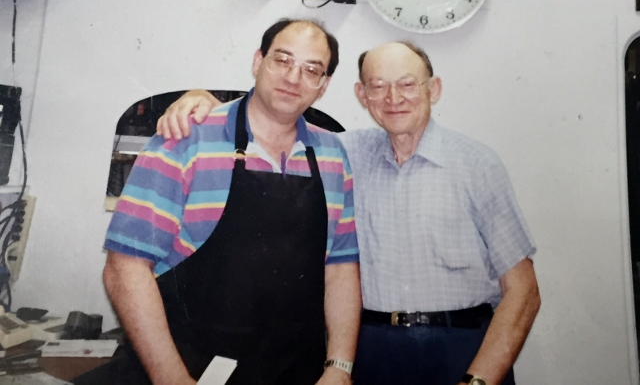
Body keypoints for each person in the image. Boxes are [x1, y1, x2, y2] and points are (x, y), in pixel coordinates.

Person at [157, 41, 541, 385]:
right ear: (362, 94)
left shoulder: (477, 164)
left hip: (462, 346)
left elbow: (523, 292)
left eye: (407, 84)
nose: (394, 97)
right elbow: (275, 121)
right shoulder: (341, 155)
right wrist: (201, 101)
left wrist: (478, 381)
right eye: (377, 86)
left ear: (433, 89)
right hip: (370, 351)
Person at [87, 19, 361, 385]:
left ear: (323, 86)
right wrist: (172, 379)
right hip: (186, 367)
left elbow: (341, 268)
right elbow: (125, 269)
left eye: (311, 69)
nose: (294, 78)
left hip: (294, 372)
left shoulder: (332, 154)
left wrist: (339, 367)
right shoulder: (186, 139)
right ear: (257, 61)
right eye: (282, 60)